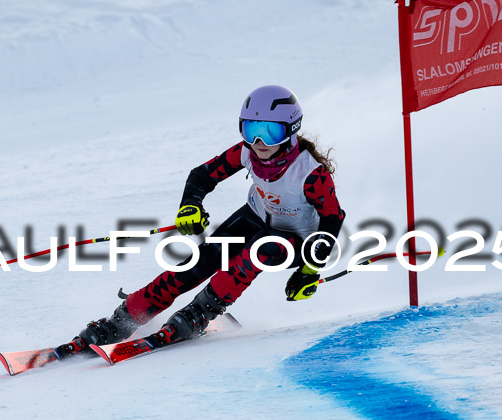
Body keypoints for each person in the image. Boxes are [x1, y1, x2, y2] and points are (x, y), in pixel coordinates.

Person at [56, 84, 345, 357]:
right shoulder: (246, 152)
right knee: (201, 261)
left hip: (296, 241)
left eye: (269, 132)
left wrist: (309, 269)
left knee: (261, 248)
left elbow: (332, 221)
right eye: (251, 130)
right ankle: (123, 320)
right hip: (256, 218)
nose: (258, 142)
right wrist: (190, 206)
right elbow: (203, 175)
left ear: (291, 131)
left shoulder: (311, 174)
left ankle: (198, 314)